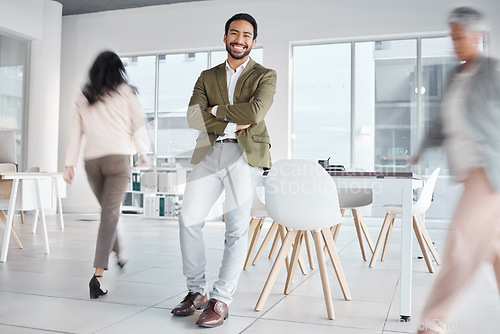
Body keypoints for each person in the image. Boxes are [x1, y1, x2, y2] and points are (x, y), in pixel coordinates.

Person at [171, 13, 277, 328]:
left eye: (246, 35)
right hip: (209, 151)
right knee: (188, 218)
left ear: (254, 41)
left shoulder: (265, 75)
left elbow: (257, 112)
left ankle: (221, 299)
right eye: (234, 33)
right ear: (225, 37)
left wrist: (214, 110)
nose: (239, 39)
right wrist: (232, 119)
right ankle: (196, 292)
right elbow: (192, 116)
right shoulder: (207, 76)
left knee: (236, 228)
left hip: (244, 155)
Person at [414, 7, 500, 334]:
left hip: (489, 171)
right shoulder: (456, 75)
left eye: (460, 36)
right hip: (471, 172)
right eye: (451, 37)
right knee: (494, 248)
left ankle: (432, 324)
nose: (455, 43)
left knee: (461, 246)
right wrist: (422, 148)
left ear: (478, 36)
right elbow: (441, 120)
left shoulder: (493, 71)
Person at [63, 51, 149, 300]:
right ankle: (97, 277)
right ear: (119, 69)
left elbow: (75, 131)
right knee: (109, 214)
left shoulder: (85, 95)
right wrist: (143, 152)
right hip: (118, 160)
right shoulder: (126, 92)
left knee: (107, 213)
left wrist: (69, 164)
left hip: (92, 163)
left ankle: (119, 254)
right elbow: (138, 124)